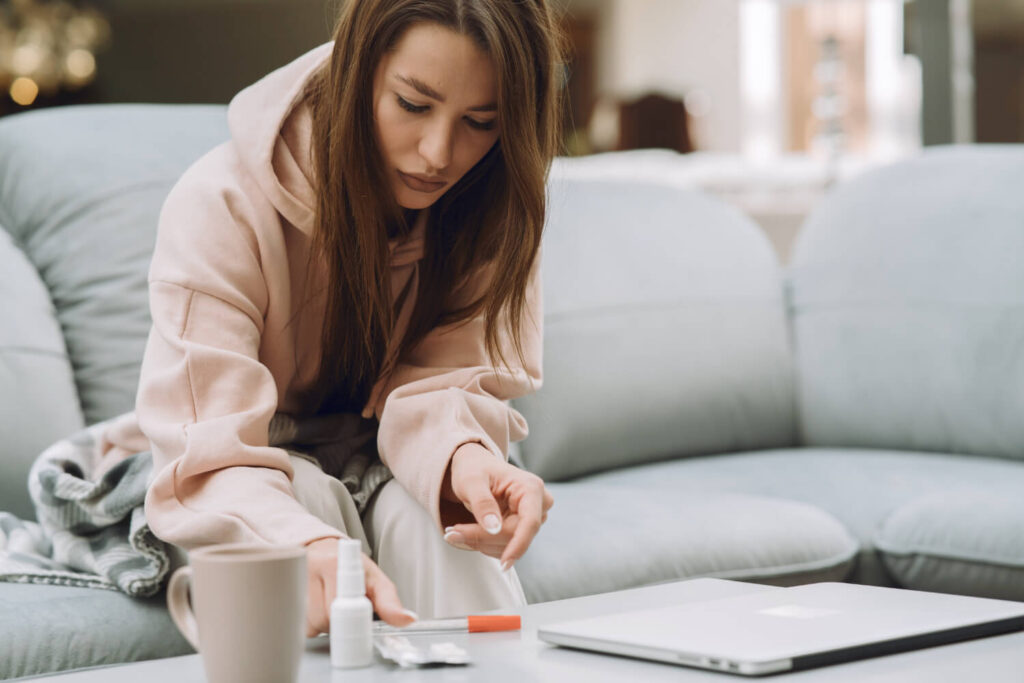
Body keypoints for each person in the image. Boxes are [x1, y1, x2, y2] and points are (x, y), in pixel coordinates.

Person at [100, 0, 564, 638]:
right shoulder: (220, 204)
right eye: (413, 104)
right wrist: (304, 541)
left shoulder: (494, 208)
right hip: (235, 466)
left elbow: (448, 386)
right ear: (357, 71)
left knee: (438, 522)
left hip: (376, 456)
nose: (438, 154)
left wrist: (466, 460)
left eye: (481, 122)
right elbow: (208, 450)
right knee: (307, 507)